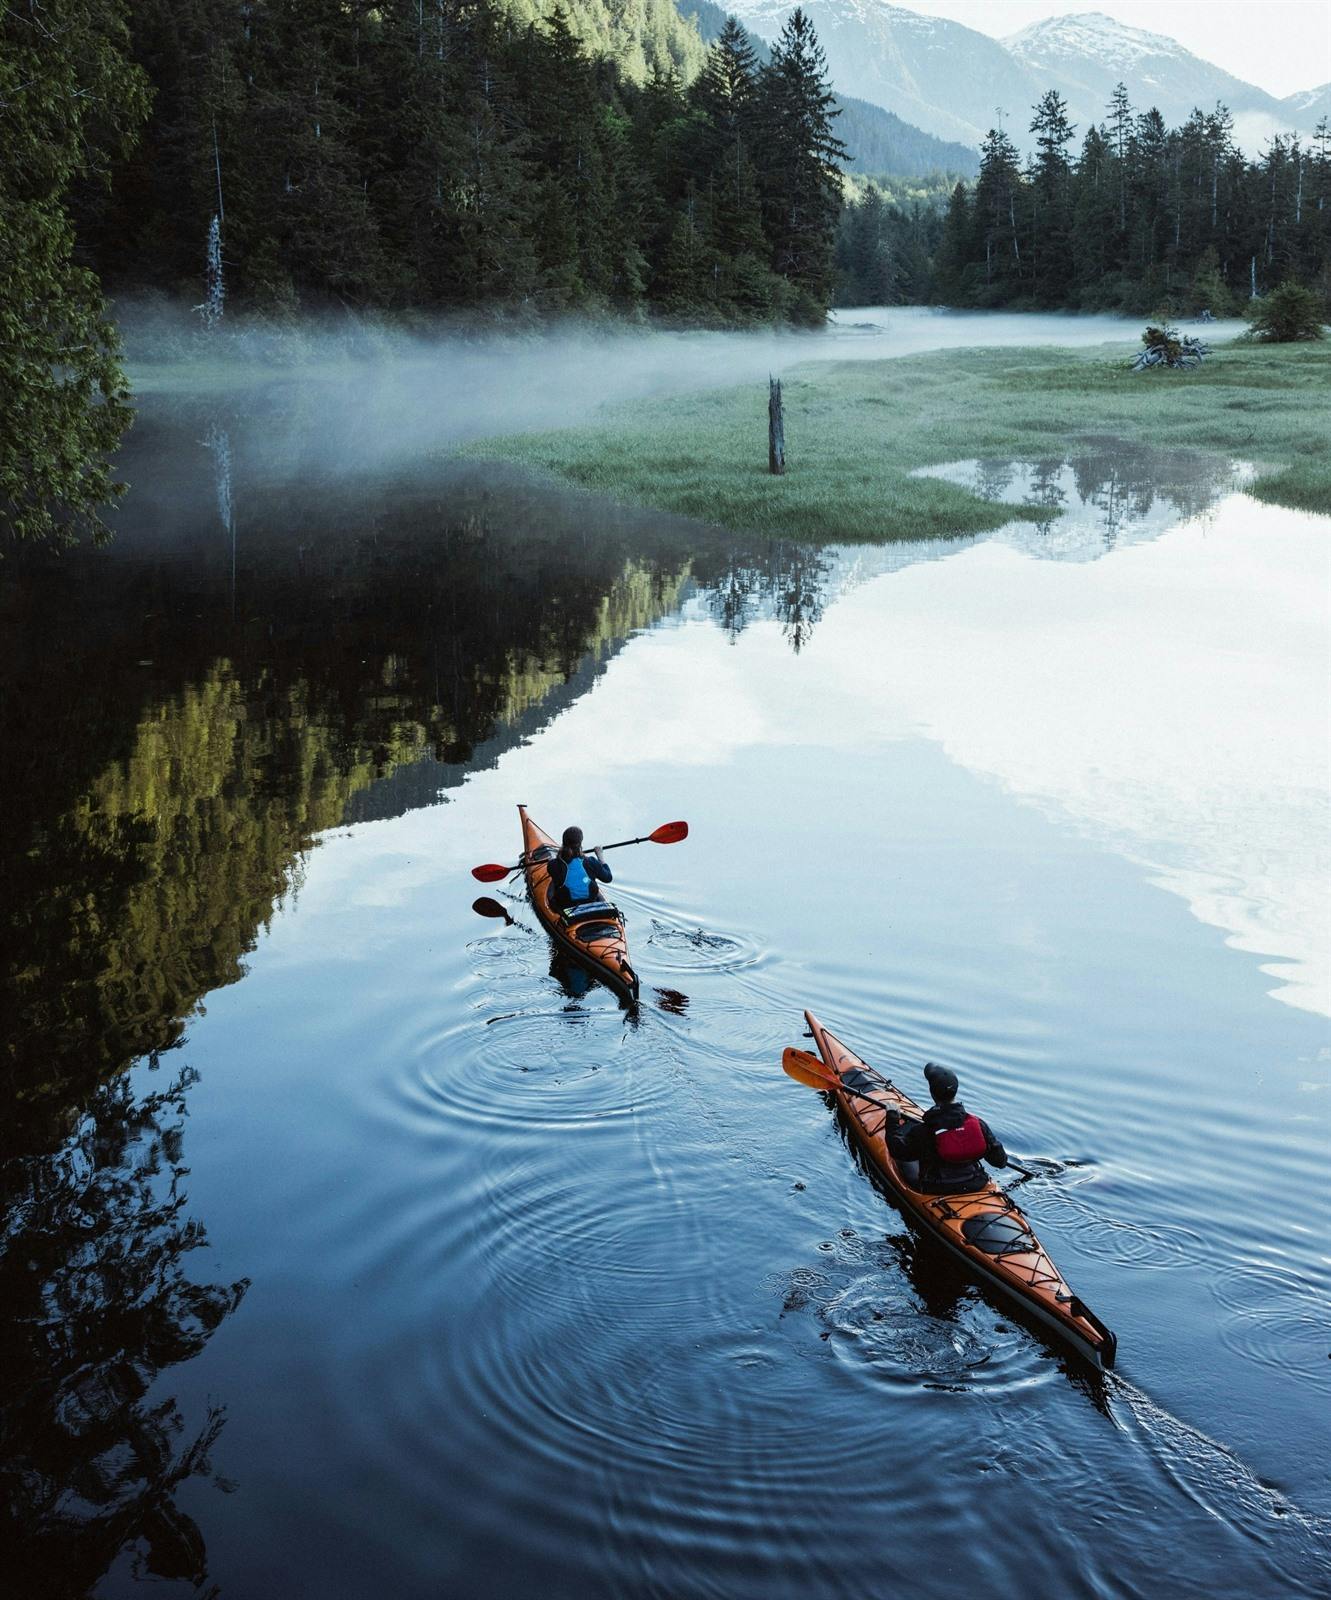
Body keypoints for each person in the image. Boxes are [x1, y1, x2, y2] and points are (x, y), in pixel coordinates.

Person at [883, 1062, 1007, 1194]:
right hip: (976, 1183)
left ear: (932, 1094)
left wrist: (892, 1118)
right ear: (956, 1091)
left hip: (937, 1189)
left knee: (902, 1156)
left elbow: (897, 1150)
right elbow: (1000, 1162)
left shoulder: (925, 1131)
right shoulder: (979, 1124)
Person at [546, 826, 613, 912]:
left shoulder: (553, 864)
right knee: (588, 881)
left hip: (566, 904)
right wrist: (600, 856)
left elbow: (556, 869)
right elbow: (608, 878)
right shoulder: (591, 861)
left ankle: (555, 910)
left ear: (563, 842)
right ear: (580, 843)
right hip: (590, 900)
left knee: (553, 884)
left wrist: (552, 860)